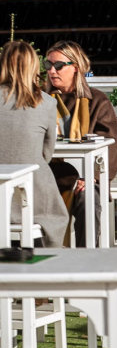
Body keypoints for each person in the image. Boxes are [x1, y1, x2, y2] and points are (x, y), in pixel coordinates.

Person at [44, 40, 117, 247]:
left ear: (76, 67)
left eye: (58, 66)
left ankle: (85, 259)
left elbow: (111, 147)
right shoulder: (39, 101)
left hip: (84, 177)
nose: (52, 71)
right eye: (48, 65)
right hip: (48, 176)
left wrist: (93, 177)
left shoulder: (97, 101)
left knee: (87, 197)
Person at [0, 41, 69, 247]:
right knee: (58, 212)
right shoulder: (47, 103)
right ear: (34, 66)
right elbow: (47, 153)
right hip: (33, 191)